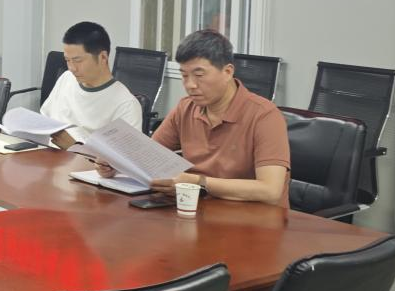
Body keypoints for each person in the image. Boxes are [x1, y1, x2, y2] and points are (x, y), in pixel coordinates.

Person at [102, 30, 290, 209]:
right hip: (198, 210)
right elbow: (147, 155)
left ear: (228, 72)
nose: (190, 85)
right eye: (184, 76)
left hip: (255, 221)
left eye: (199, 75)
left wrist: (198, 182)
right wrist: (115, 164)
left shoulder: (264, 115)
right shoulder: (186, 108)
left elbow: (270, 190)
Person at [41, 21, 144, 146]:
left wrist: (74, 147)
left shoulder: (126, 105)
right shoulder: (67, 79)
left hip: (79, 158)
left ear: (103, 57)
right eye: (67, 60)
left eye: (78, 60)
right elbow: (45, 119)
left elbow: (125, 156)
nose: (72, 68)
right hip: (47, 154)